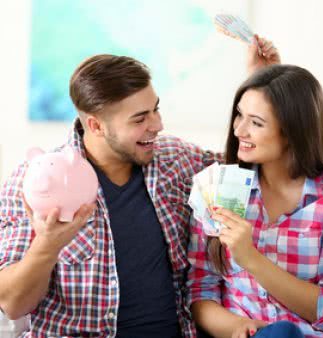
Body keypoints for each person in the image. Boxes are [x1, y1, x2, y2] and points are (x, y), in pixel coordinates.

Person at [0, 37, 279, 336]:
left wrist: (263, 87)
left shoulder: (175, 159)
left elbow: (249, 161)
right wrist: (47, 245)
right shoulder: (37, 183)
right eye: (140, 119)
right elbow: (13, 305)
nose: (157, 124)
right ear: (95, 126)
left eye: (155, 110)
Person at [187, 65, 323, 337]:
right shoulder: (220, 187)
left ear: (292, 131)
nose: (239, 130)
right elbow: (200, 291)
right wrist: (236, 326)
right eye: (239, 115)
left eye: (256, 123)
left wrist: (250, 258)